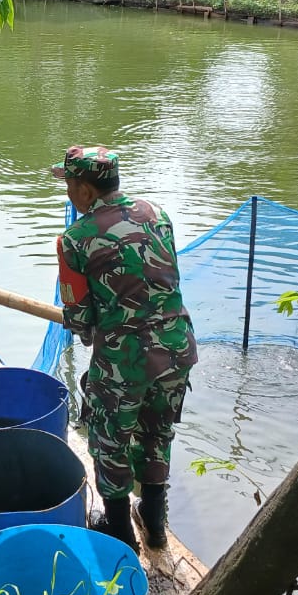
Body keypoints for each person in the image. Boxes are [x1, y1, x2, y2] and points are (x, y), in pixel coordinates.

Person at [51, 145, 197, 551]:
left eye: (68, 184)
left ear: (84, 191)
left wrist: (88, 320)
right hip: (176, 347)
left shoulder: (75, 240)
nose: (67, 192)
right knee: (157, 431)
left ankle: (118, 530)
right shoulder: (157, 213)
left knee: (110, 440)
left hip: (124, 360)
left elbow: (80, 321)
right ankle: (154, 523)